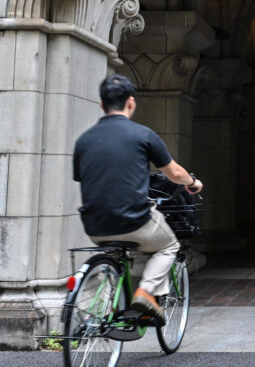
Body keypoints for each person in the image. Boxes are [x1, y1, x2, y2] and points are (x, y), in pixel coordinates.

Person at [73, 74, 203, 326]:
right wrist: (192, 183)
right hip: (135, 219)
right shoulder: (143, 135)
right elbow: (174, 173)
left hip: (94, 225)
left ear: (102, 105)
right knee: (168, 246)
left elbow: (84, 178)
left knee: (115, 254)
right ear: (131, 102)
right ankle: (145, 293)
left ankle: (108, 307)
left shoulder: (84, 140)